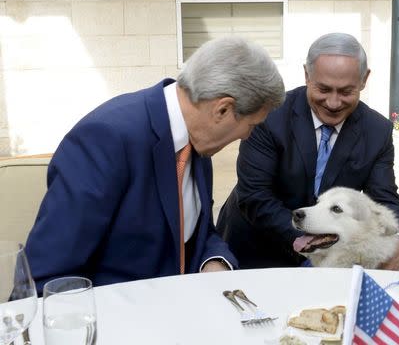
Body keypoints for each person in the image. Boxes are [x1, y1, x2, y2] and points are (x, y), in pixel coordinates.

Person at [25, 36, 285, 293]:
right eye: (251, 125)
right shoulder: (107, 137)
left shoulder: (197, 141)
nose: (247, 136)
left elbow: (195, 232)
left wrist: (214, 260)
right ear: (222, 110)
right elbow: (48, 277)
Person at [216, 32, 399, 271]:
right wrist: (311, 243)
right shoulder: (269, 116)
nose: (334, 102)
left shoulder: (377, 130)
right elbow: (255, 195)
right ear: (307, 75)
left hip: (329, 256)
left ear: (364, 79)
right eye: (324, 89)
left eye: (346, 91)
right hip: (256, 250)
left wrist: (398, 240)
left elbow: (383, 199)